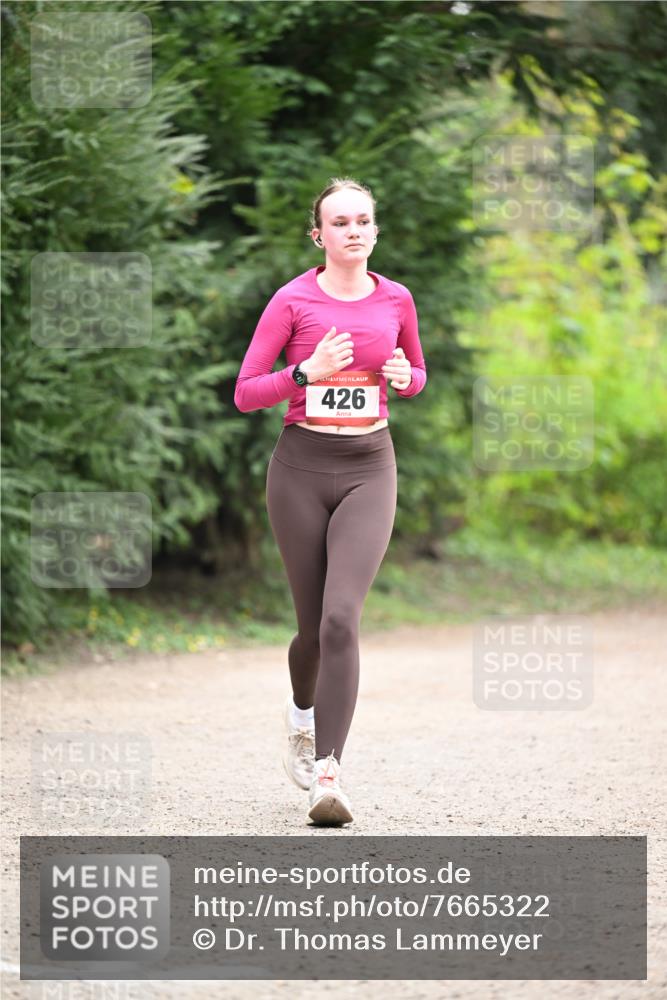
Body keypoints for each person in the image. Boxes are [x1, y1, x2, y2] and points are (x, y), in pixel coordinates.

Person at [234, 177, 427, 825]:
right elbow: (246, 393)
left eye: (362, 220)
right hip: (300, 469)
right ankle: (300, 714)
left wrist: (406, 378)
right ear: (318, 235)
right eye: (338, 222)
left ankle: (328, 776)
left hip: (370, 467)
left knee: (343, 618)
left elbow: (415, 372)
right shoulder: (291, 301)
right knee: (312, 630)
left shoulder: (396, 299)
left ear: (374, 230)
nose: (353, 230)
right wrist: (303, 374)